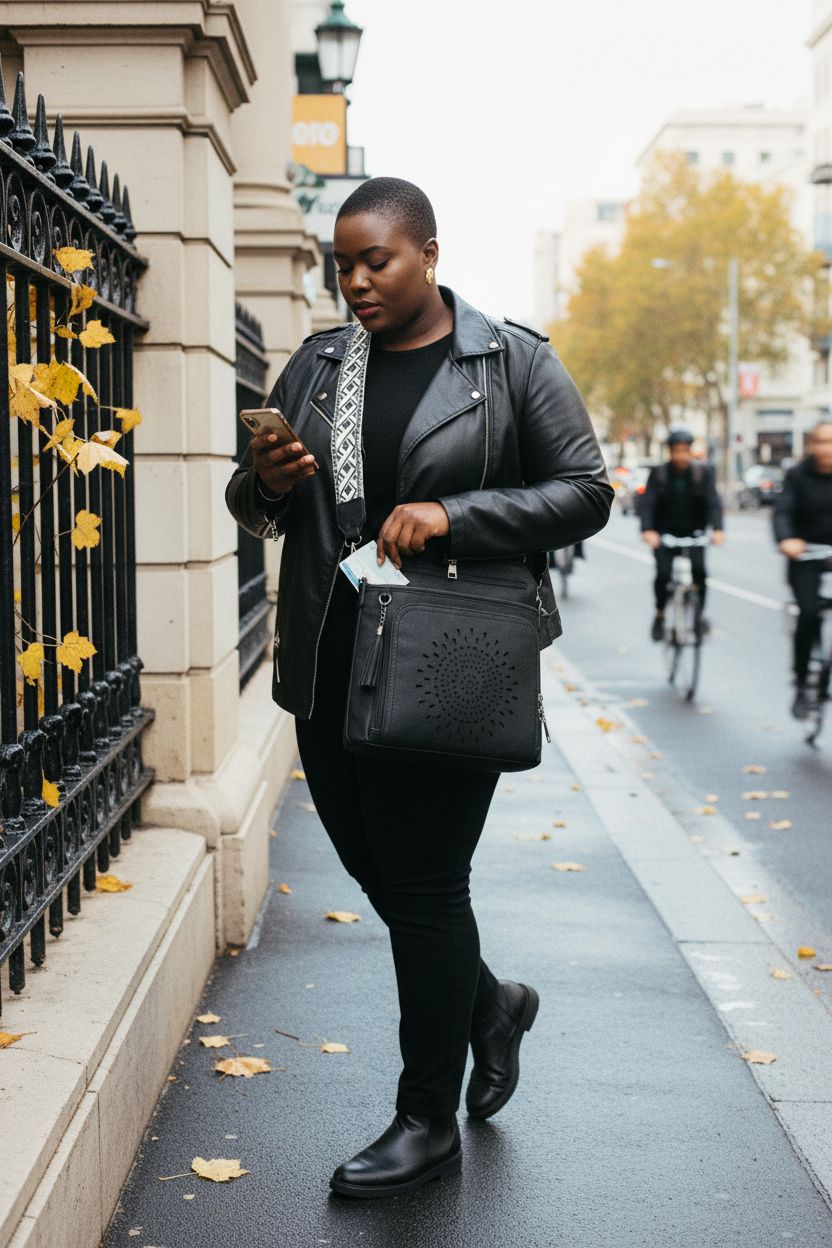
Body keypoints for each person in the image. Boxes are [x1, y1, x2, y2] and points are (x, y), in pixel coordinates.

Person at [225, 177, 612, 1199]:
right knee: (380, 875)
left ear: (428, 255)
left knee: (429, 883)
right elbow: (249, 500)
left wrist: (454, 516)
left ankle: (423, 1116)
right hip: (327, 655)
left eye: (375, 262)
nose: (354, 281)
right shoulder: (316, 363)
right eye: (340, 265)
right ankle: (487, 1005)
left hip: (447, 660)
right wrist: (268, 478)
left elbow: (585, 491)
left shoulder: (509, 360)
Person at [640, 428, 725, 640]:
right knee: (663, 575)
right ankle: (660, 614)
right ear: (670, 451)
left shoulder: (703, 473)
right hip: (665, 534)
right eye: (676, 450)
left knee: (700, 572)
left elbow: (713, 502)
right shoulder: (659, 473)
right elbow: (647, 504)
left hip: (694, 533)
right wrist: (648, 530)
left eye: (684, 450)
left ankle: (699, 615)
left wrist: (717, 529)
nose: (680, 455)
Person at [772, 420, 832, 719]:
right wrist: (787, 540)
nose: (827, 449)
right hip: (806, 556)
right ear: (811, 445)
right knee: (808, 614)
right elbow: (782, 511)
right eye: (821, 441)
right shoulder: (797, 475)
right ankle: (801, 683)